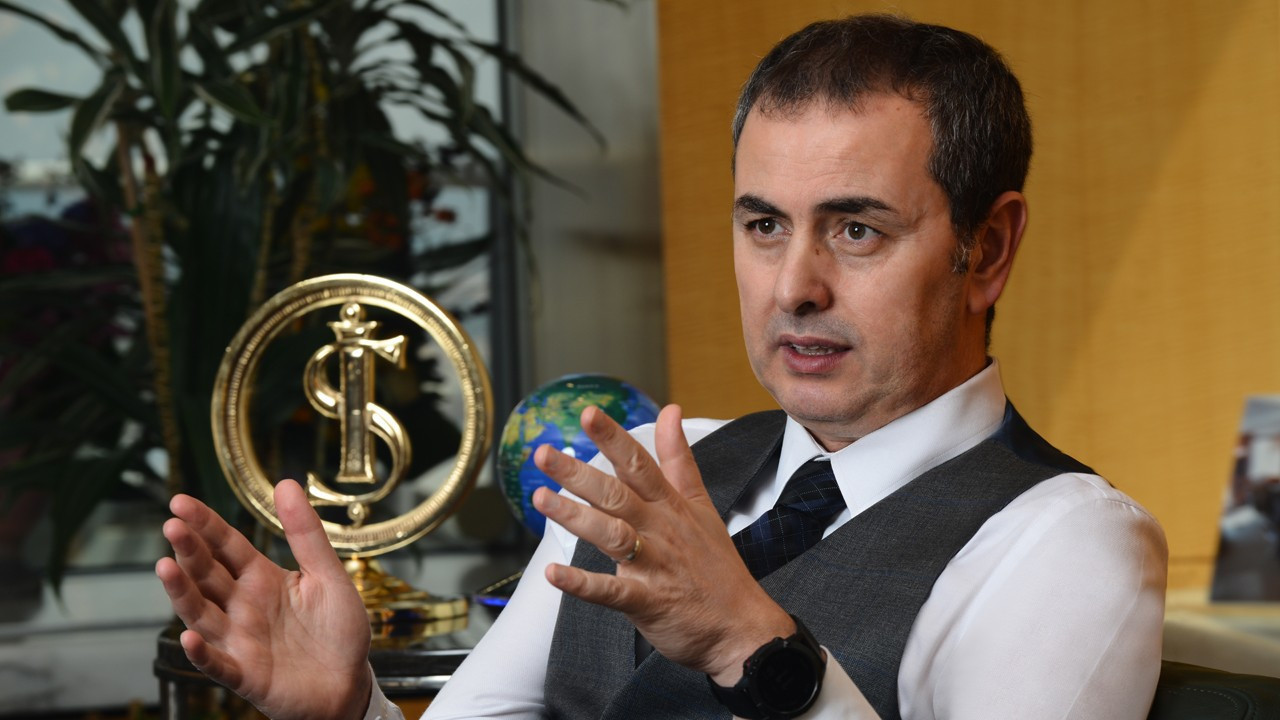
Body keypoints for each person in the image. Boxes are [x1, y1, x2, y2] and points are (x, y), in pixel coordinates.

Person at [156, 13, 1168, 720]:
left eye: (856, 229)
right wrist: (349, 708)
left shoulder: (1067, 542)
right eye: (763, 225)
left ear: (986, 250)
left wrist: (752, 652)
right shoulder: (638, 468)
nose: (794, 287)